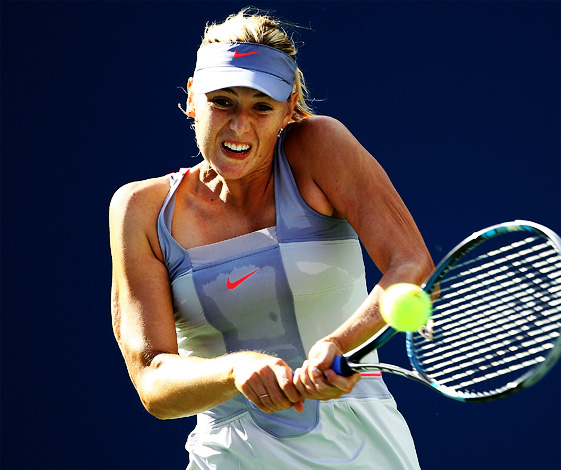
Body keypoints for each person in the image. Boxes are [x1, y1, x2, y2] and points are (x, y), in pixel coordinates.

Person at [109, 8, 434, 469]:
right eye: (222, 101)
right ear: (191, 98)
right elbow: (153, 383)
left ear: (291, 108)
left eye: (261, 106)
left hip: (363, 451)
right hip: (227, 457)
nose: (239, 126)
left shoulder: (320, 147)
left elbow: (411, 264)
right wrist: (237, 369)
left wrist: (340, 345)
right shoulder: (140, 209)